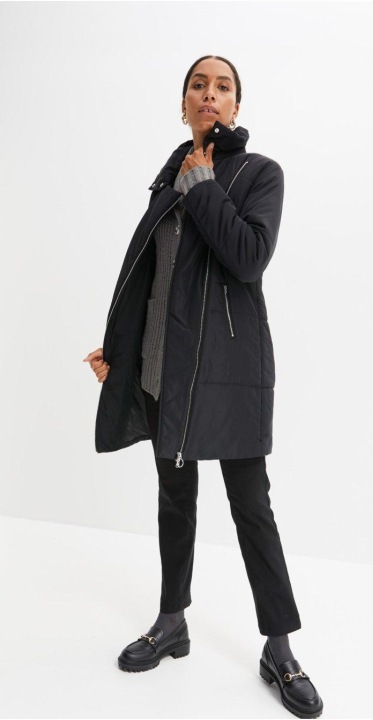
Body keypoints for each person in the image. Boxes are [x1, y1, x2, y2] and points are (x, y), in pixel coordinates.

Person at [83, 55, 323, 719]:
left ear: (236, 106)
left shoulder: (257, 173)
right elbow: (151, 279)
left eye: (222, 87)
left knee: (252, 507)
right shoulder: (168, 179)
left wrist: (203, 184)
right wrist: (122, 355)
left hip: (230, 373)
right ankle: (172, 622)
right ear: (184, 103)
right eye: (198, 85)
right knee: (174, 500)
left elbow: (248, 257)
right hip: (164, 369)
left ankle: (280, 649)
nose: (209, 94)